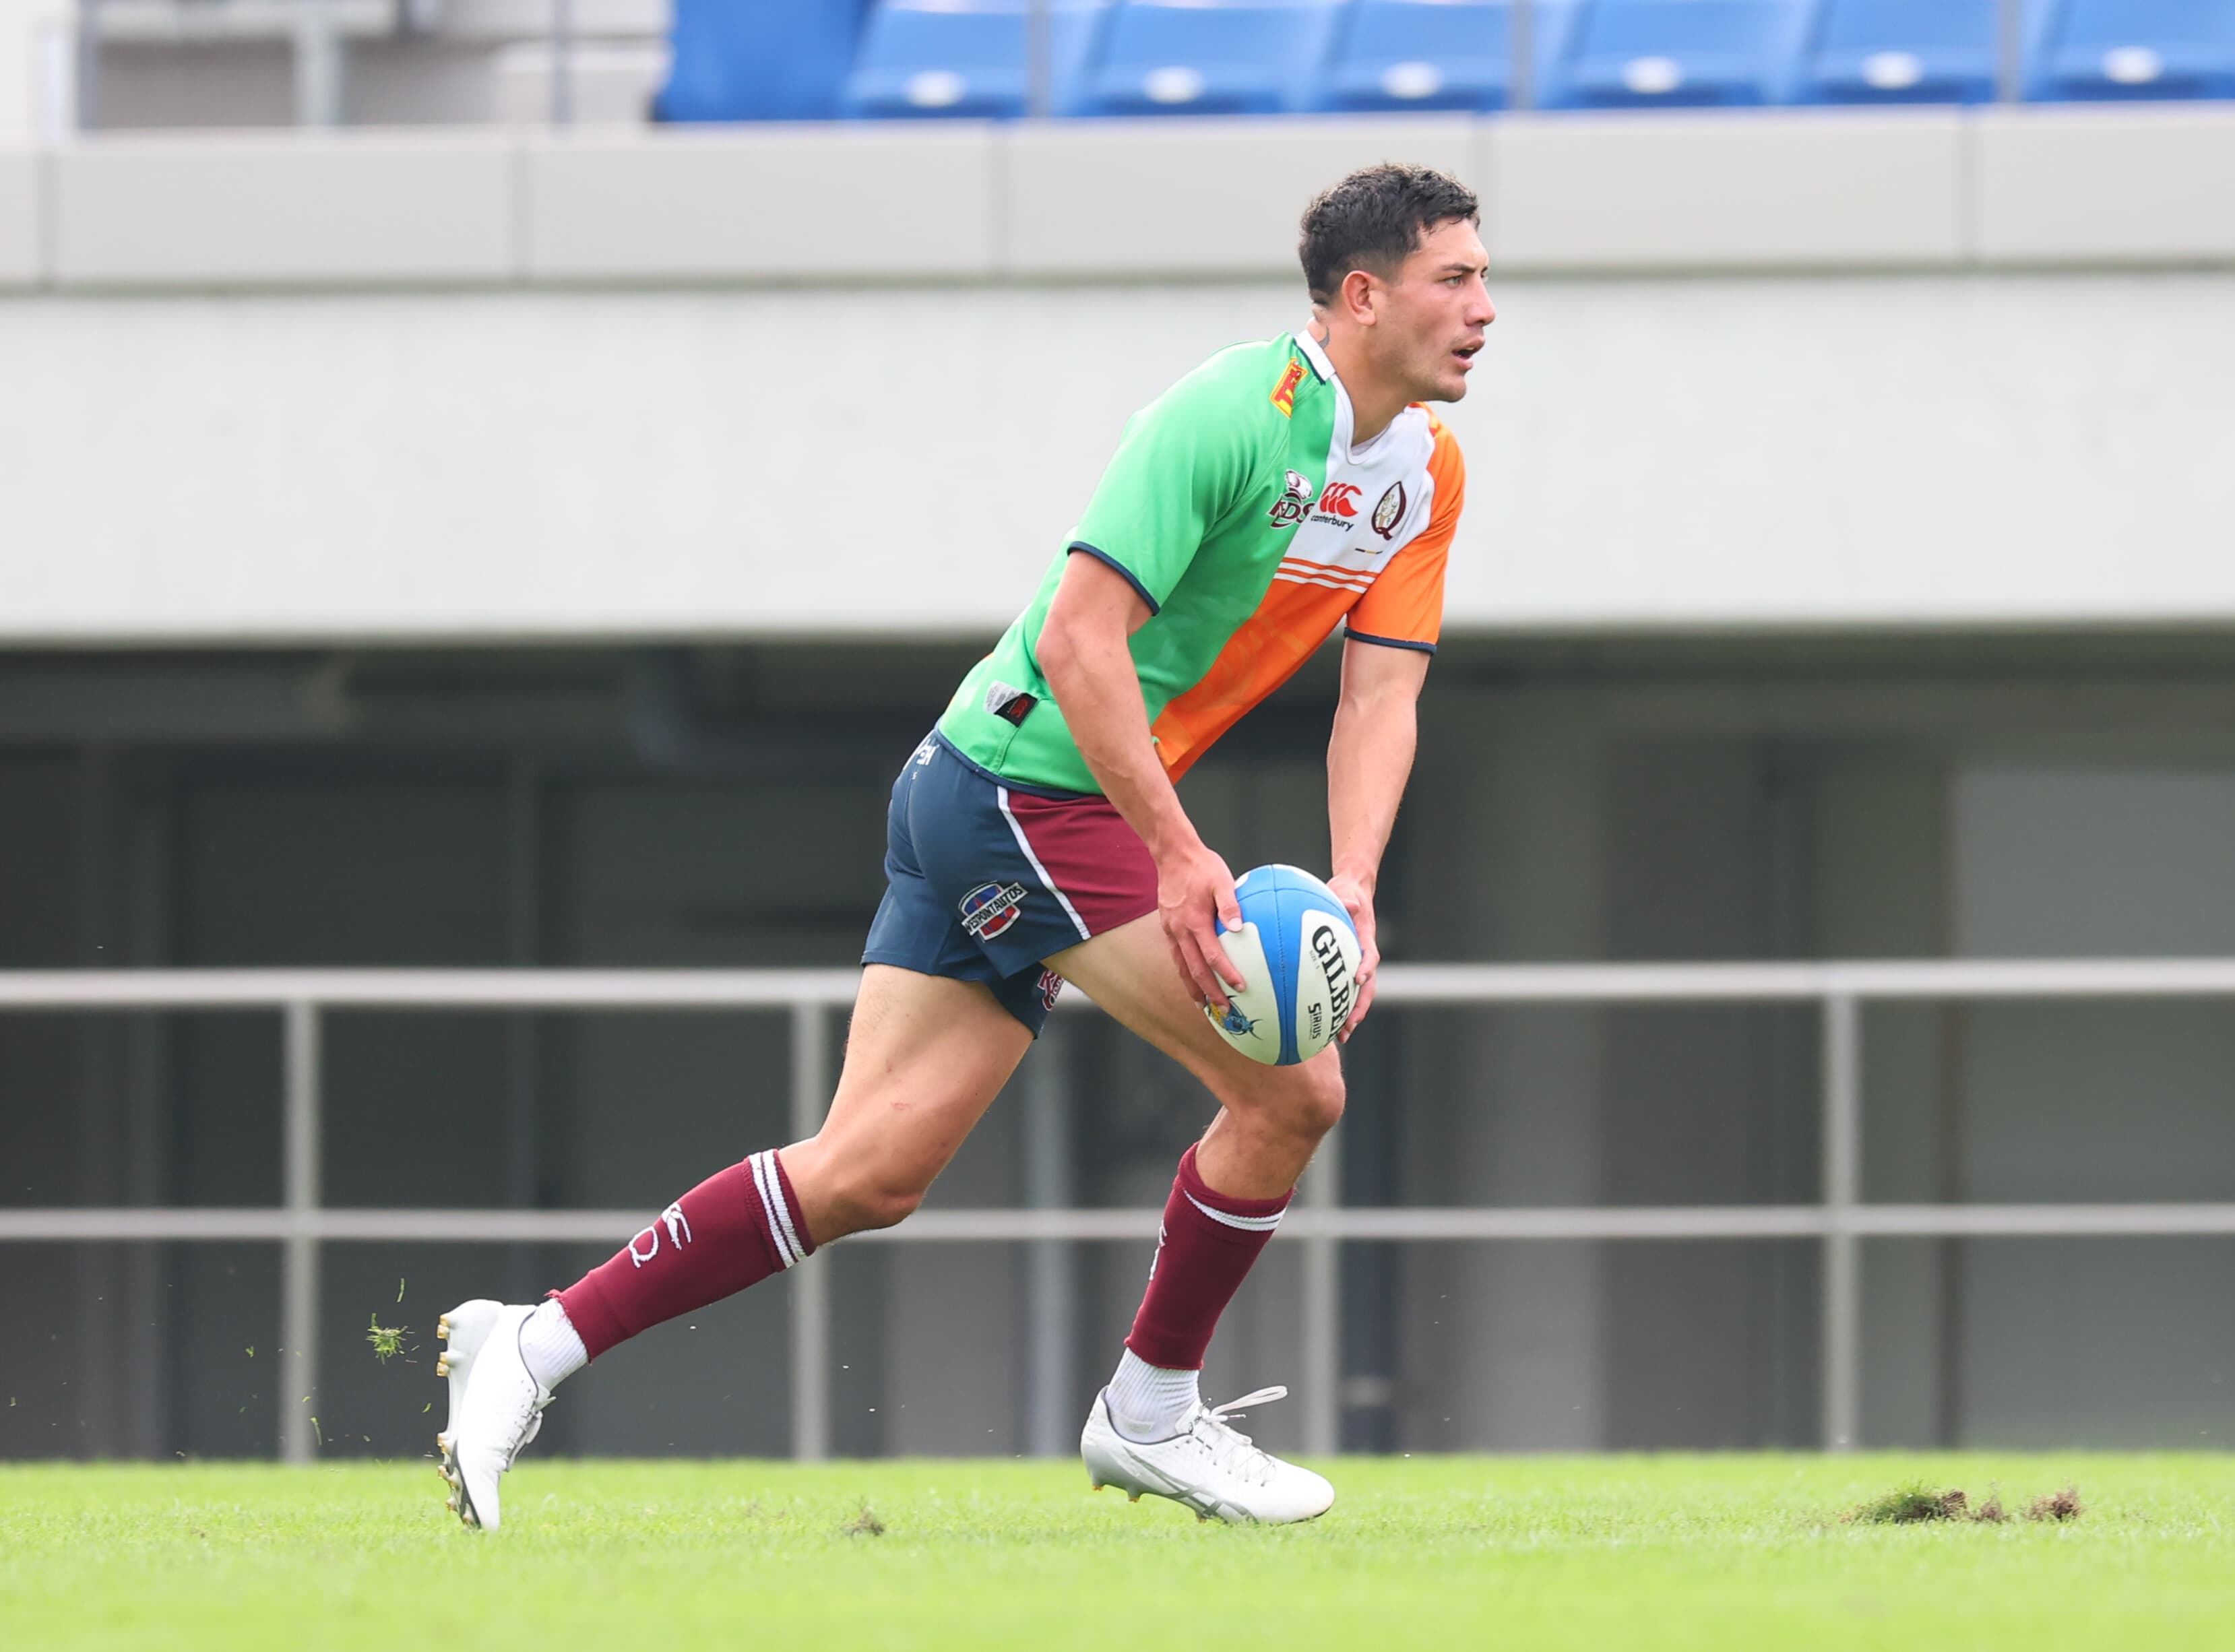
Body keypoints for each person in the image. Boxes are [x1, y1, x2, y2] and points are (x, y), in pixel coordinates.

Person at [435, 162, 1493, 1531]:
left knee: (870, 1169)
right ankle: (1151, 1412)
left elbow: (1382, 694)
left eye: (1481, 276)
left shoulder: (1426, 473)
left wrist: (1352, 882)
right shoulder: (1231, 414)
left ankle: (528, 1345)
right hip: (1025, 788)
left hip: (985, 785)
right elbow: (1076, 637)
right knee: (1296, 1092)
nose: (1483, 307)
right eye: (1454, 278)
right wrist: (1178, 851)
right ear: (1366, 296)